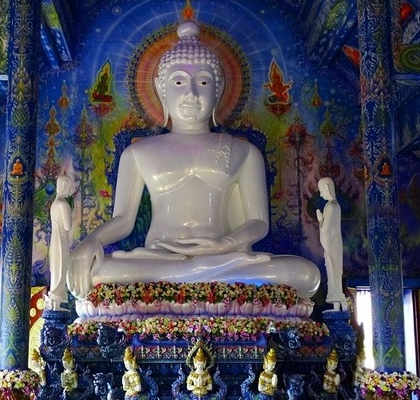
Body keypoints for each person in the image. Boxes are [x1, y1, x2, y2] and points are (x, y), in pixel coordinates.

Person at [67, 20, 320, 301]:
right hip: (158, 257)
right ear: (161, 88)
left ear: (218, 89)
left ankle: (186, 277)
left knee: (305, 274)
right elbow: (123, 220)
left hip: (223, 257)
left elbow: (258, 222)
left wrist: (225, 244)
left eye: (203, 82)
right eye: (178, 82)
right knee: (97, 271)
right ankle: (194, 276)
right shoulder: (138, 153)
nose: (191, 93)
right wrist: (91, 241)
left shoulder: (244, 152)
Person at [316, 177, 347, 310]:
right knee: (333, 272)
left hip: (332, 244)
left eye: (322, 190)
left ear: (327, 188)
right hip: (334, 243)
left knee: (334, 272)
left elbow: (325, 228)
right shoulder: (335, 205)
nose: (321, 194)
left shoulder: (331, 206)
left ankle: (341, 302)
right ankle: (338, 305)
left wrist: (320, 220)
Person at [46, 175, 76, 311]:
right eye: (69, 187)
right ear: (64, 186)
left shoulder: (54, 204)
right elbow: (68, 226)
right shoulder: (63, 204)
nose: (71, 190)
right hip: (61, 240)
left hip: (55, 239)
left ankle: (55, 299)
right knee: (61, 267)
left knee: (57, 268)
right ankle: (56, 298)